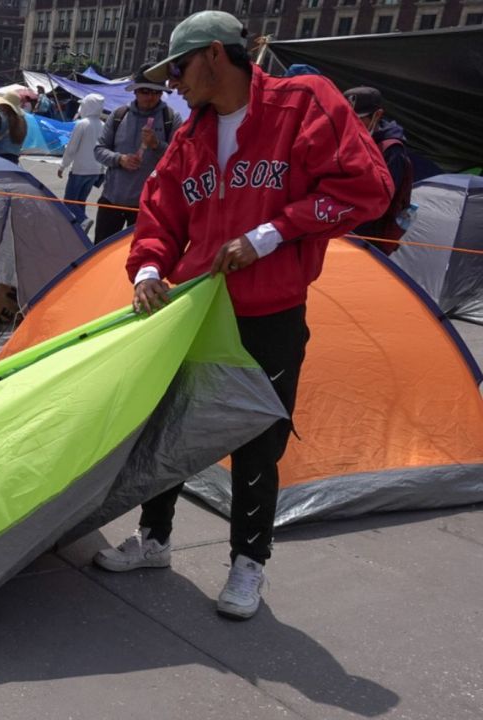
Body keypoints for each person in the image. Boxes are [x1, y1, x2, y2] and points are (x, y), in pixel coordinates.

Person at [98, 11, 392, 620]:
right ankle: (154, 539)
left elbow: (367, 189)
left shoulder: (303, 104)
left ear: (212, 56)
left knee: (259, 439)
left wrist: (272, 234)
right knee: (170, 425)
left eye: (177, 69)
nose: (173, 83)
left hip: (270, 309)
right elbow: (161, 216)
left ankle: (248, 563)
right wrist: (149, 269)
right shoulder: (190, 136)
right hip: (196, 310)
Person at [92, 65, 180, 244]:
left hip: (148, 206)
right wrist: (120, 159)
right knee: (101, 253)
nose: (150, 97)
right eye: (145, 91)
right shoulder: (119, 115)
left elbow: (179, 159)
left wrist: (157, 145)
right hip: (112, 200)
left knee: (139, 255)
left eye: (156, 92)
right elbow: (99, 150)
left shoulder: (171, 118)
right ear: (136, 91)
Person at [343, 86, 413, 254]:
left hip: (367, 240)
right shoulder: (346, 140)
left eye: (359, 119)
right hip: (339, 229)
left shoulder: (392, 151)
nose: (352, 124)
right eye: (346, 118)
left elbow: (379, 201)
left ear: (378, 115)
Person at [57, 93, 105, 230]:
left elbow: (72, 148)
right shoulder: (103, 124)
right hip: (95, 170)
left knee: (69, 200)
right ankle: (80, 226)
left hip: (80, 169)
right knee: (80, 200)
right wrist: (102, 170)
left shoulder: (82, 124)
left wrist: (62, 165)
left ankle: (83, 220)